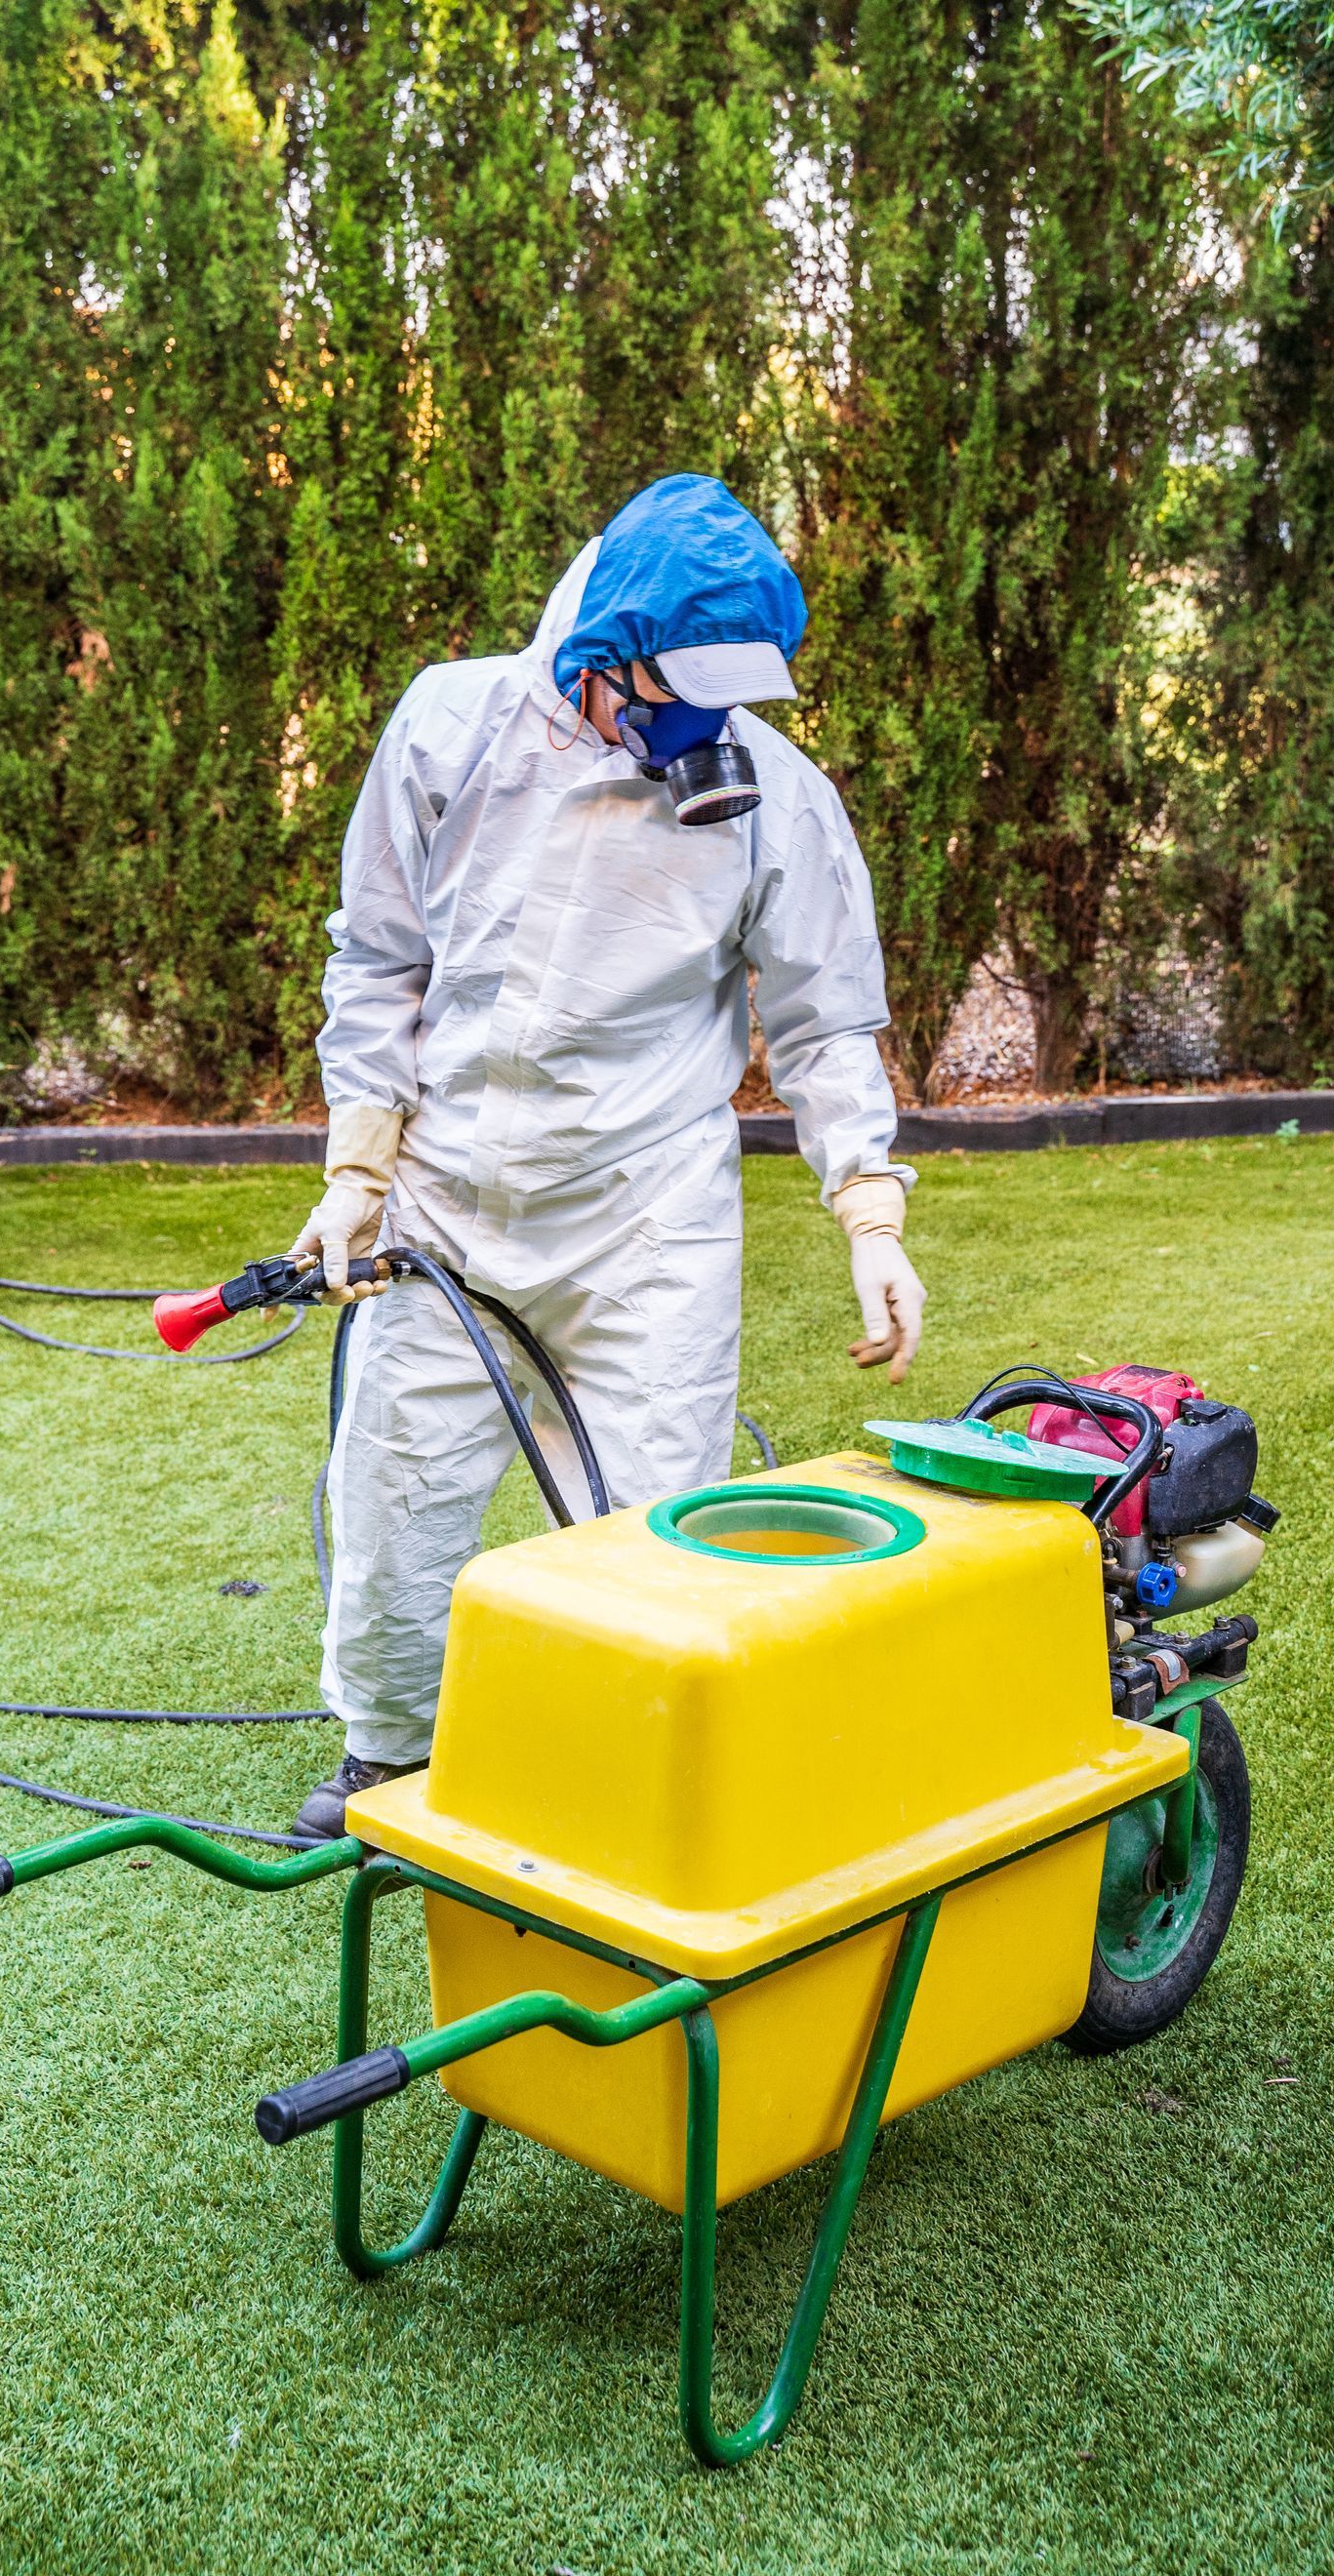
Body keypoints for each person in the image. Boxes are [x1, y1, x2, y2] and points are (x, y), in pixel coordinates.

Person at [288, 473, 925, 1838]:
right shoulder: (451, 727)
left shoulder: (773, 794)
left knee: (659, 1532)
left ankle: (638, 1789)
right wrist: (356, 1171)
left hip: (650, 1213)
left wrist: (870, 1210)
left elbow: (825, 1022)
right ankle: (387, 1757)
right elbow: (379, 958)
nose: (701, 732)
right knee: (395, 1496)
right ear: (602, 656)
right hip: (447, 1197)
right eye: (676, 697)